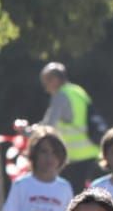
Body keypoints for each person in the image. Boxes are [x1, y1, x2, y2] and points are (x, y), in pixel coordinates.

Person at [38, 62, 101, 190]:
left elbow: (48, 127)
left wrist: (27, 132)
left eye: (46, 83)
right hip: (92, 151)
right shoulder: (77, 91)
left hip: (75, 157)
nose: (46, 89)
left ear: (55, 80)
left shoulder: (60, 95)